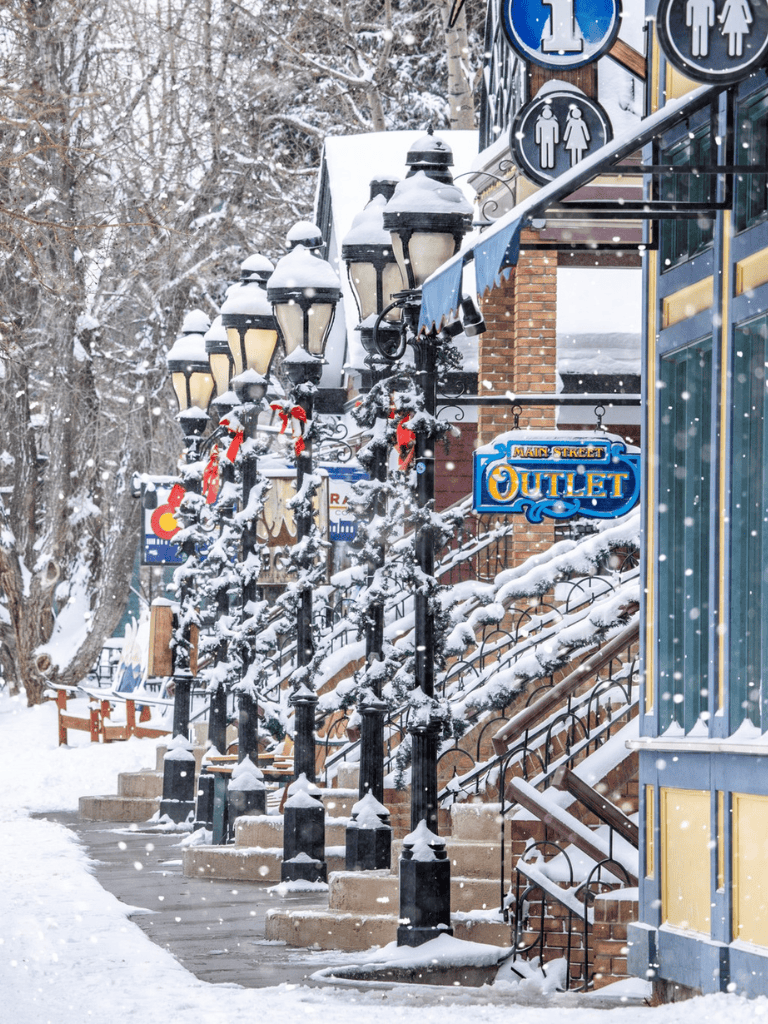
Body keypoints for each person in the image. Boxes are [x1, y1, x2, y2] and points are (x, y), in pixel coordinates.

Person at [535, 105, 560, 170]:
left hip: (550, 139)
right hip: (544, 139)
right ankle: (544, 163)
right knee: (544, 151)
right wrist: (538, 140)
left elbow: (556, 131)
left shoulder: (554, 122)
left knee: (550, 150)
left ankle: (551, 164)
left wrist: (556, 139)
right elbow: (538, 132)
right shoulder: (540, 123)